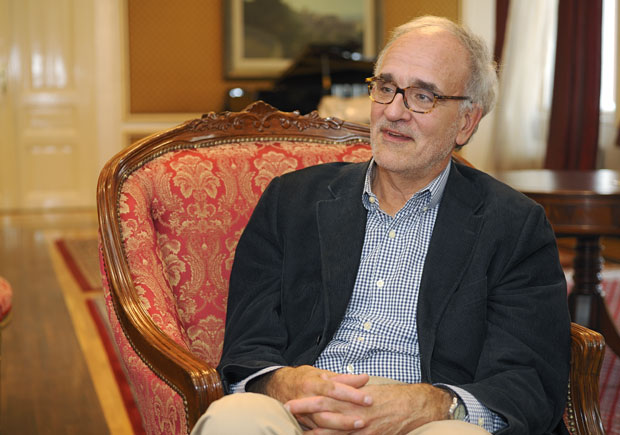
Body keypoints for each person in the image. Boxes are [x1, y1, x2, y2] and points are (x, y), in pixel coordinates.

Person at [192, 15, 571, 435]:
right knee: (234, 418)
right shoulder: (292, 200)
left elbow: (528, 379)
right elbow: (248, 344)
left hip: (426, 423)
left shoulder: (515, 226)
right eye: (386, 88)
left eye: (422, 96)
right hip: (301, 413)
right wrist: (285, 383)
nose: (393, 112)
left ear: (466, 122)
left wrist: (434, 404)